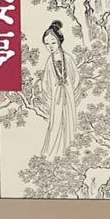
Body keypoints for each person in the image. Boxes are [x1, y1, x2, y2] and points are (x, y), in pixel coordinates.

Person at [39, 21, 79, 159]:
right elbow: (45, 83)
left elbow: (76, 77)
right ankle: (54, 152)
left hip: (68, 96)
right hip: (56, 98)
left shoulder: (68, 58)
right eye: (47, 43)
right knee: (55, 123)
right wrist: (49, 97)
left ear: (59, 41)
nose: (50, 46)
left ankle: (70, 151)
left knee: (69, 121)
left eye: (53, 42)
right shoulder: (49, 62)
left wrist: (71, 91)